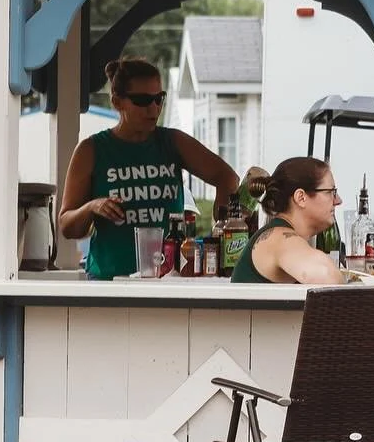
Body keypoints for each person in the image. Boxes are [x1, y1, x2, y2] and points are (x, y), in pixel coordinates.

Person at [58, 56, 260, 279]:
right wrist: (91, 207)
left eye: (159, 99)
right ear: (117, 102)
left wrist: (221, 231)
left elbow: (226, 177)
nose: (154, 109)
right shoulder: (91, 150)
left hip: (167, 280)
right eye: (143, 100)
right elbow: (67, 226)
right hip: (110, 280)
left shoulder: (172, 142)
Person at [230, 157, 349, 285]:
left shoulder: (279, 234)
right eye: (331, 192)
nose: (338, 200)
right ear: (301, 198)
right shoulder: (279, 239)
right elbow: (326, 274)